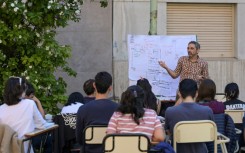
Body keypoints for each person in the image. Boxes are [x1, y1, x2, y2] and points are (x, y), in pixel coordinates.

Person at [0, 76, 52, 153]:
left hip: (6, 149)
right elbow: (41, 125)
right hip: (24, 148)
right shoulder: (29, 104)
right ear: (21, 89)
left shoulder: (1, 108)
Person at [165, 79, 214, 153]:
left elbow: (168, 132)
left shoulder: (170, 111)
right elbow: (212, 133)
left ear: (179, 93)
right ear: (196, 93)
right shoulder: (207, 111)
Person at [76, 71, 119, 153]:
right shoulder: (119, 109)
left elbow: (79, 139)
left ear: (94, 85)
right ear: (110, 88)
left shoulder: (83, 109)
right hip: (111, 150)